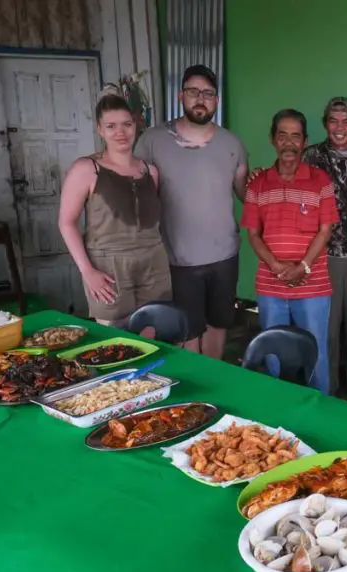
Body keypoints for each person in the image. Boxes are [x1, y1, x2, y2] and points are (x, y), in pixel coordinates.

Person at [136, 64, 249, 359]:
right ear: (181, 96)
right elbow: (136, 194)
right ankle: (195, 391)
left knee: (219, 323)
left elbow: (245, 193)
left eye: (208, 93)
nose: (201, 99)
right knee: (186, 329)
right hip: (178, 258)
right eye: (193, 92)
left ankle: (215, 385)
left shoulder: (231, 143)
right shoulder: (152, 141)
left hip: (224, 255)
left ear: (216, 100)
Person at [241, 109, 337, 394]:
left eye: (296, 136)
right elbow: (253, 234)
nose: (289, 142)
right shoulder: (257, 184)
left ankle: (322, 413)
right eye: (282, 135)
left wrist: (302, 267)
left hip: (314, 285)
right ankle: (276, 419)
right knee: (273, 352)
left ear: (305, 141)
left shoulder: (321, 182)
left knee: (316, 353)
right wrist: (276, 267)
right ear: (273, 139)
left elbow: (325, 231)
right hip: (271, 286)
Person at [57, 94, 171, 329]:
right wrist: (87, 271)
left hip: (153, 261)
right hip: (109, 266)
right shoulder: (87, 169)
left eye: (127, 125)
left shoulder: (151, 172)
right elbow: (66, 223)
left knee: (154, 331)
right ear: (100, 129)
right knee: (116, 338)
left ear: (135, 125)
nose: (121, 132)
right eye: (111, 126)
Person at [301, 97, 347, 401]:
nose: (340, 127)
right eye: (334, 120)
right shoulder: (311, 157)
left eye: (346, 121)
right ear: (325, 123)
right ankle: (326, 383)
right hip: (323, 254)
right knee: (327, 326)